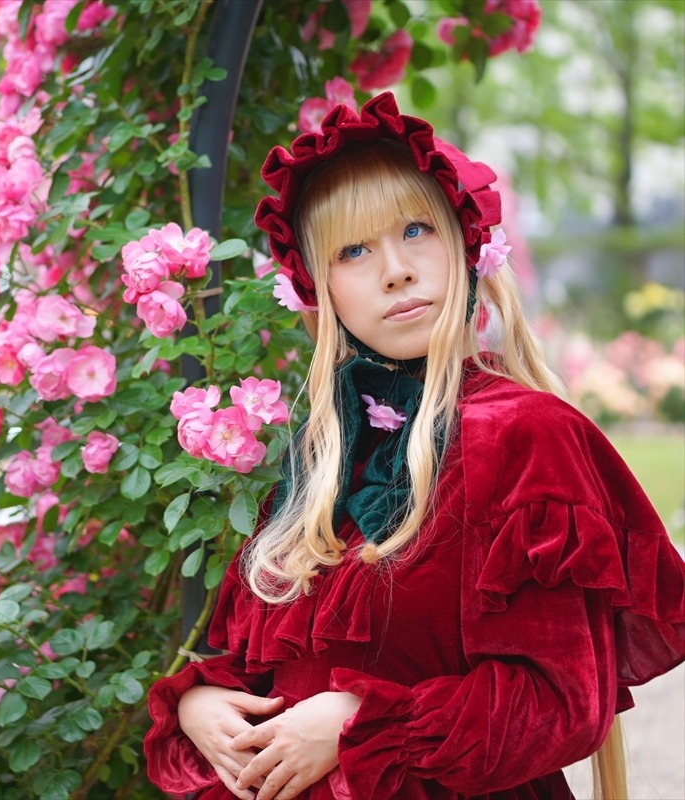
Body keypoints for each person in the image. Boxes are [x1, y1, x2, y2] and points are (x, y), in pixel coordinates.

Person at [143, 92, 685, 800]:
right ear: (321, 288)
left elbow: (559, 703)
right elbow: (254, 666)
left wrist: (359, 720)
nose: (394, 269)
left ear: (464, 245)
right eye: (353, 250)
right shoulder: (322, 455)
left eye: (415, 231)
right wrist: (201, 706)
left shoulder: (524, 435)